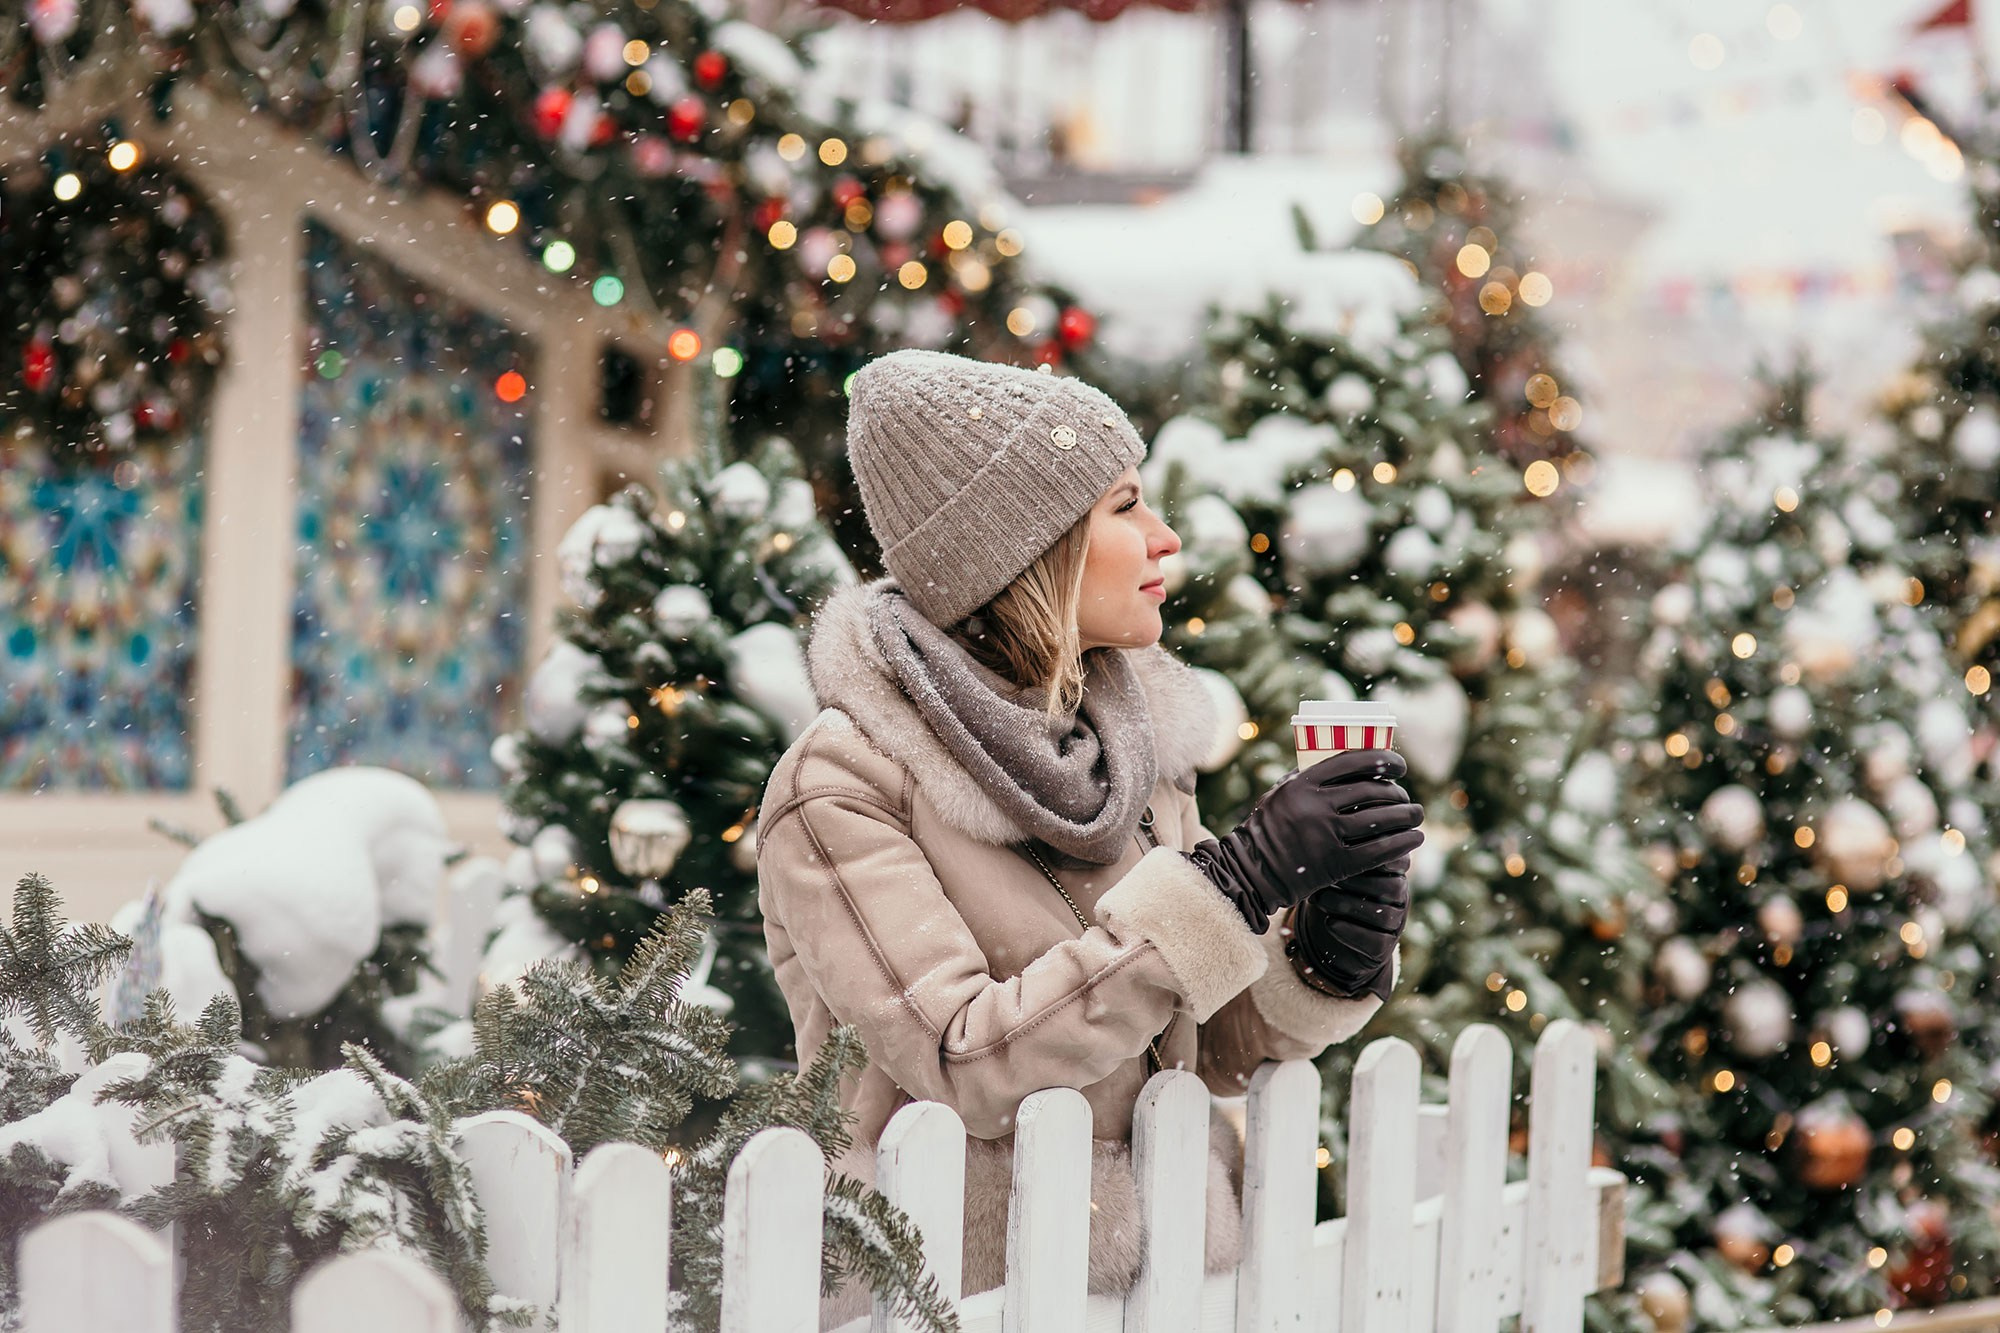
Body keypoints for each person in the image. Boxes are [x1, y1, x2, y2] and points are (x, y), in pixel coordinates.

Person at [756, 349, 1424, 1321]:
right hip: (955, 1297)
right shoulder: (843, 784)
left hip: (1163, 1296)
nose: (1164, 540)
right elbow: (966, 1063)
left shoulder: (1125, 753)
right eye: (1123, 507)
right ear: (1023, 547)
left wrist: (1324, 954)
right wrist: (1227, 885)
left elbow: (1185, 1046)